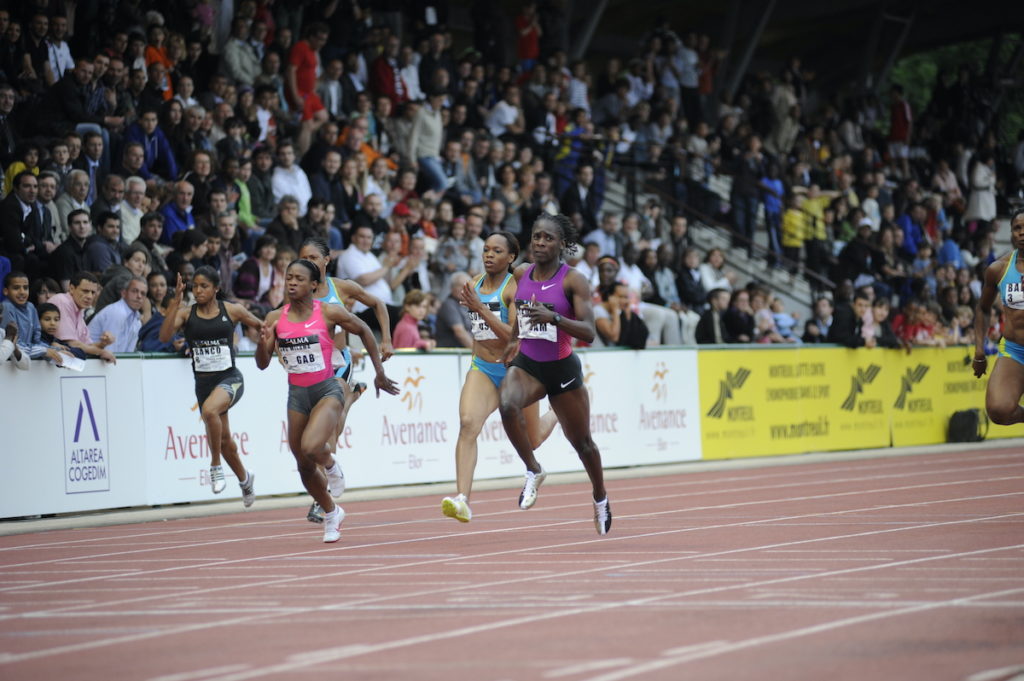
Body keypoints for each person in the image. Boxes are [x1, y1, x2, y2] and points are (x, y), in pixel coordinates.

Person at [255, 259, 399, 542]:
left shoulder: (329, 312)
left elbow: (365, 331)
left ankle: (332, 466)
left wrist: (379, 372)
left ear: (313, 285)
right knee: (303, 465)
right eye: (288, 278)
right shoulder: (274, 318)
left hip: (328, 389)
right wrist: (264, 342)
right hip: (297, 395)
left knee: (311, 447)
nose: (292, 283)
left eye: (299, 278)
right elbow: (261, 363)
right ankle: (332, 513)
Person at [498, 213, 612, 535]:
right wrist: (513, 339)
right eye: (536, 237)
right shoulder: (521, 273)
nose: (540, 243)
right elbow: (521, 312)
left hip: (562, 368)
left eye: (548, 238)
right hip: (529, 365)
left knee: (583, 444)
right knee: (507, 404)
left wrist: (555, 318)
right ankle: (533, 469)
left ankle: (600, 497)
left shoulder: (573, 279)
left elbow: (589, 332)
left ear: (561, 244)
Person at [440, 231, 558, 523]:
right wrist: (478, 312)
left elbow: (516, 334)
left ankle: (555, 413)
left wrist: (481, 309)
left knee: (532, 439)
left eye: (496, 251)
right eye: (485, 250)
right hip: (483, 366)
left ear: (511, 258)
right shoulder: (472, 284)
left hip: (518, 370)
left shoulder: (513, 289)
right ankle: (463, 499)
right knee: (468, 424)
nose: (489, 255)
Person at [296, 237, 395, 524]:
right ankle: (351, 398)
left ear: (326, 260)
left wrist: (386, 339)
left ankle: (320, 499)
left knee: (328, 431)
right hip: (311, 367)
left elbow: (378, 303)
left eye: (314, 257)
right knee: (313, 439)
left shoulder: (341, 288)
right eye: (304, 258)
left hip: (339, 363)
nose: (309, 263)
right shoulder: (297, 292)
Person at [160, 267, 264, 502]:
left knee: (209, 411)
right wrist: (176, 302)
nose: (198, 291)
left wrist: (273, 347)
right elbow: (165, 336)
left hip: (230, 379)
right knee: (225, 441)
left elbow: (262, 328)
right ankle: (245, 480)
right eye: (194, 286)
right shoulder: (187, 314)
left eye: (203, 286)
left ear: (216, 288)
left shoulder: (232, 310)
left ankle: (215, 466)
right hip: (204, 384)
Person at [974, 208, 1024, 426]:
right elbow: (983, 309)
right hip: (1015, 350)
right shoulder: (998, 269)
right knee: (998, 410)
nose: (1022, 232)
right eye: (1017, 228)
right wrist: (979, 352)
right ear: (1011, 234)